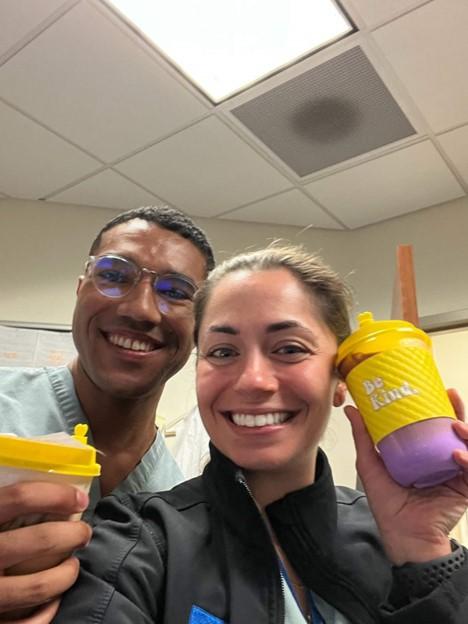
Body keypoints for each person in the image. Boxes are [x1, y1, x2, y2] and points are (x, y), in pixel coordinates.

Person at [52, 244, 468, 623]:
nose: (253, 380)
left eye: (289, 349)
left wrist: (422, 550)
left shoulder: (396, 538)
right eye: (223, 352)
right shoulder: (134, 543)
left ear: (341, 377)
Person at [0, 205, 215, 621]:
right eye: (115, 276)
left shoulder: (179, 503)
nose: (142, 310)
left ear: (201, 328)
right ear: (81, 288)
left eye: (175, 292)